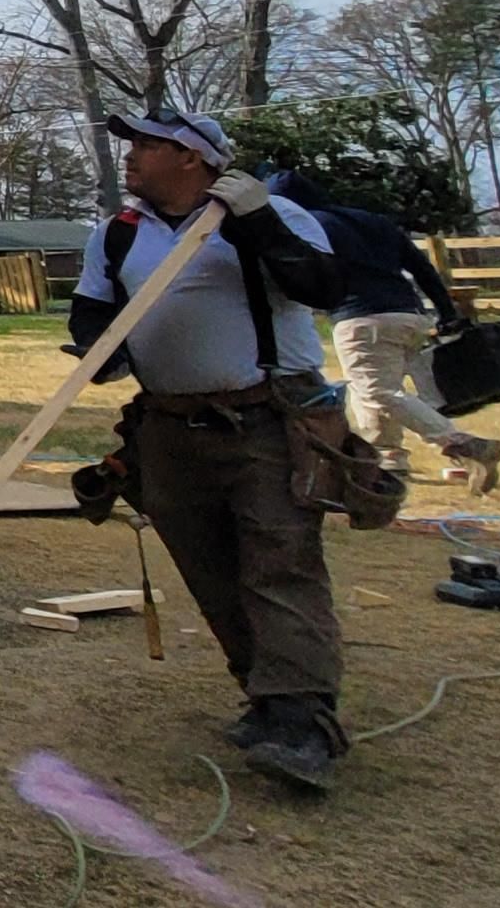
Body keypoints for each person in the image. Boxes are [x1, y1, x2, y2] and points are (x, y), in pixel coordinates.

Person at [62, 110, 354, 792]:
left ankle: (305, 723)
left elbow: (324, 288)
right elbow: (91, 312)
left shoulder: (268, 217)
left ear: (192, 159)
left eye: (148, 145)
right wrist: (100, 353)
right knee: (209, 567)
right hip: (169, 427)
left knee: (280, 562)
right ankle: (265, 695)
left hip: (267, 418)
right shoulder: (117, 234)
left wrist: (258, 221)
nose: (131, 156)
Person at [265, 170, 500, 494]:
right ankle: (389, 460)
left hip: (362, 319)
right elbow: (422, 268)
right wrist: (447, 312)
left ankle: (462, 444)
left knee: (377, 391)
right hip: (410, 314)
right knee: (379, 390)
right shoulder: (372, 221)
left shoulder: (306, 225)